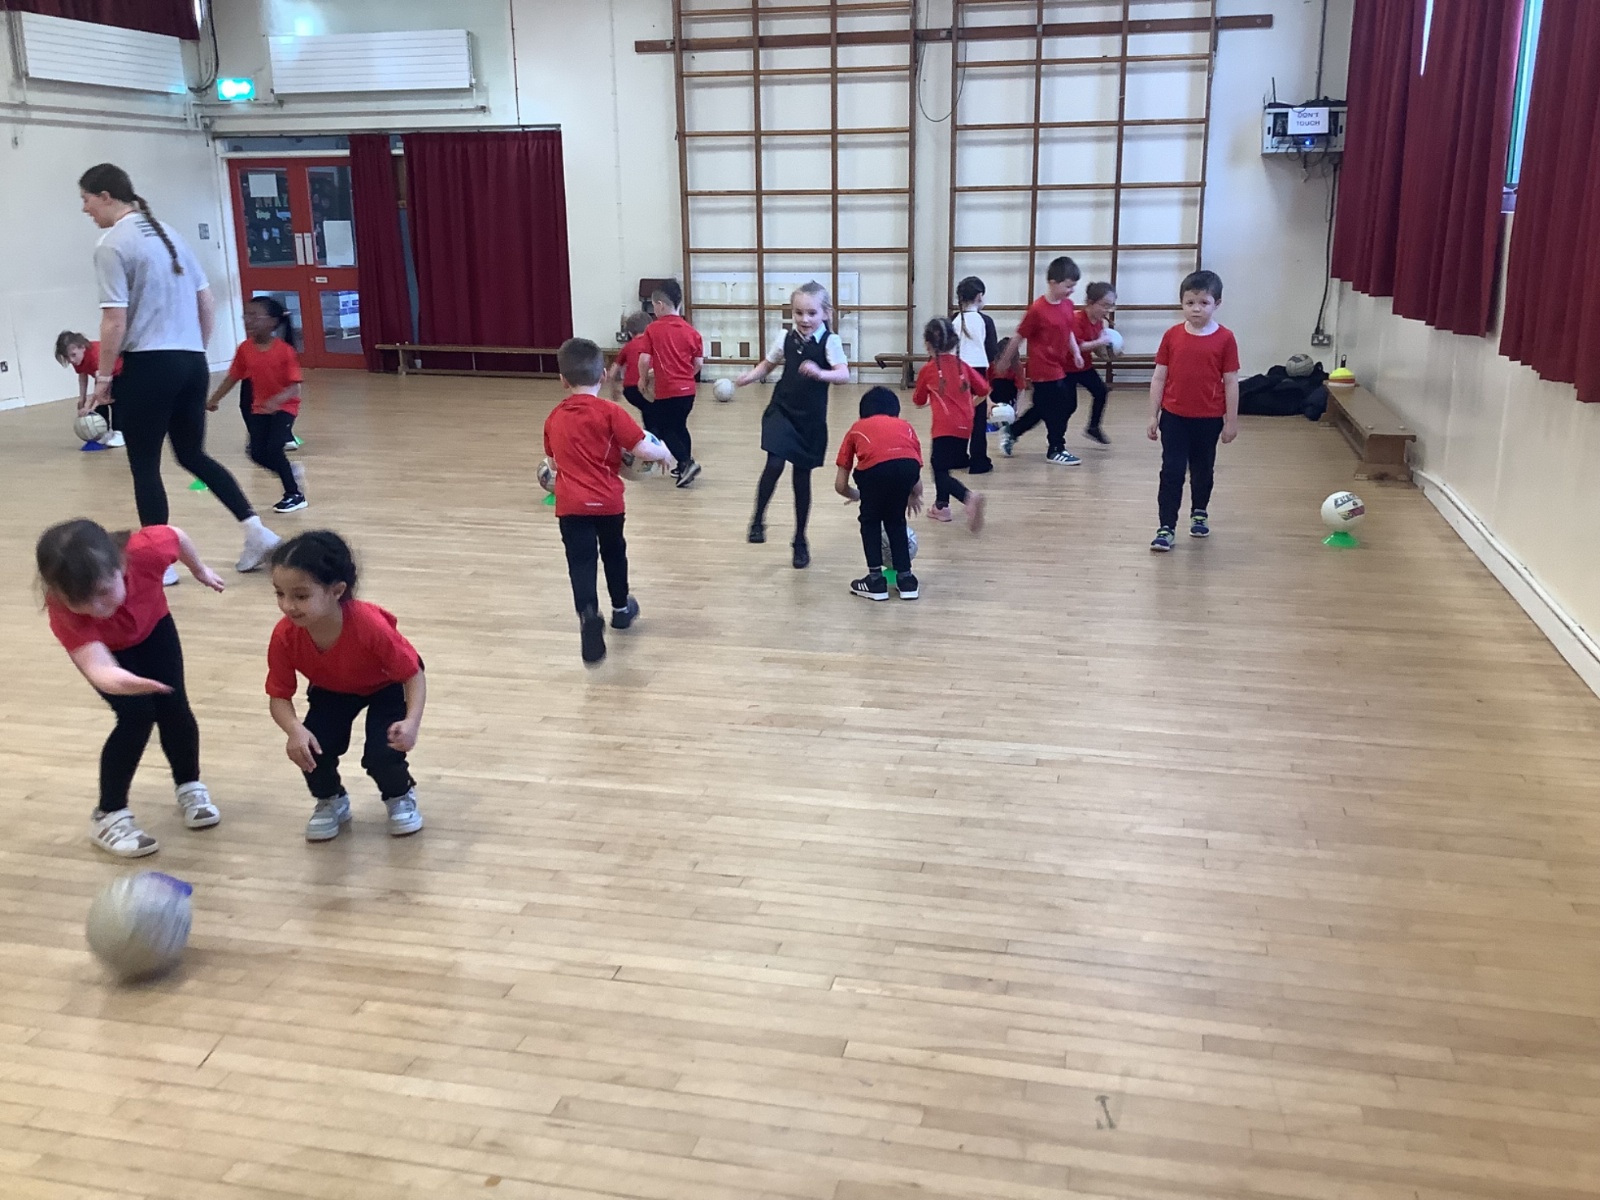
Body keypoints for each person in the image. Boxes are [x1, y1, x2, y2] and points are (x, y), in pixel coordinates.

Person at [78, 162, 280, 573]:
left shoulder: (111, 244)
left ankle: (161, 563)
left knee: (144, 465)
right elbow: (206, 301)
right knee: (192, 454)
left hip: (149, 365)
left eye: (86, 200)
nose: (85, 210)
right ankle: (258, 532)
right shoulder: (169, 233)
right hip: (190, 362)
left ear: (105, 196)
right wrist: (193, 354)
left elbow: (114, 320)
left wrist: (103, 378)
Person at [37, 519, 225, 858]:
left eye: (103, 592)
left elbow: (177, 536)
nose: (97, 608)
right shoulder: (62, 607)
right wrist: (125, 682)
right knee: (136, 717)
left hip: (154, 627)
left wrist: (200, 569)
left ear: (120, 565)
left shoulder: (147, 550)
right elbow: (98, 667)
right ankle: (108, 815)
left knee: (174, 707)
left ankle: (190, 785)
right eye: (81, 601)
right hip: (109, 652)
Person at [266, 531, 427, 841]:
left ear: (337, 591)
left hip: (385, 686)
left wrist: (411, 722)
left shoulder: (369, 625)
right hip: (332, 689)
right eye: (280, 594)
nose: (287, 605)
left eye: (300, 596)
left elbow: (413, 673)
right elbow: (278, 696)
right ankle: (331, 799)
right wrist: (294, 730)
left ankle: (399, 794)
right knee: (312, 747)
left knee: (383, 752)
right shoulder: (285, 636)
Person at [543, 337, 676, 664]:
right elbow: (641, 447)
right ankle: (620, 608)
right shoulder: (611, 412)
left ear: (562, 380)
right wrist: (663, 452)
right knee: (614, 554)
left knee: (581, 562)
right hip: (608, 504)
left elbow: (553, 464)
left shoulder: (554, 418)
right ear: (603, 376)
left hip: (571, 507)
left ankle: (588, 614)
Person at [731, 281, 850, 569]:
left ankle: (799, 540)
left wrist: (820, 373)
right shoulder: (785, 338)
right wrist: (750, 377)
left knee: (801, 479)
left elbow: (843, 374)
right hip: (781, 410)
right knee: (774, 463)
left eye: (811, 313)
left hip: (810, 420)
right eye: (798, 313)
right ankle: (758, 518)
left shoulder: (830, 342)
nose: (804, 319)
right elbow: (769, 364)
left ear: (826, 313)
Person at [1146, 270, 1240, 552]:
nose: (1196, 309)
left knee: (1202, 469)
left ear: (1217, 304)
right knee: (1172, 471)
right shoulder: (1172, 336)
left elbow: (1231, 381)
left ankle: (1199, 511)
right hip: (1174, 418)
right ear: (1182, 303)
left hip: (1208, 419)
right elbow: (1159, 377)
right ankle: (1166, 527)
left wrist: (1231, 421)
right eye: (1190, 303)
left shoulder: (1225, 338)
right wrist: (1153, 415)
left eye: (1203, 302)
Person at [206, 296, 306, 514]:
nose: (248, 320)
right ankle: (288, 472)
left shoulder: (284, 351)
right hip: (259, 407)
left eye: (254, 316)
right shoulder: (245, 349)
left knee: (274, 449)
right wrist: (214, 399)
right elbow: (233, 377)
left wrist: (277, 400)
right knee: (256, 453)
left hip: (285, 407)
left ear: (272, 322)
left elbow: (295, 387)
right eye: (246, 316)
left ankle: (294, 494)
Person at [994, 255, 1086, 465]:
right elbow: (1018, 336)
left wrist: (1076, 353)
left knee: (1046, 408)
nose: (1071, 290)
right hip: (1042, 369)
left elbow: (1069, 331)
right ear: (1052, 283)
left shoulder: (1068, 305)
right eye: (1068, 286)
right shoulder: (1037, 310)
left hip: (1059, 366)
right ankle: (1056, 448)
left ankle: (1013, 432)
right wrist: (1005, 361)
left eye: (1073, 286)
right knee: (1059, 406)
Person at [835, 386, 924, 601]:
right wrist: (912, 496)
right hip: (907, 470)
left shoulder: (856, 428)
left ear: (862, 414)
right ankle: (906, 579)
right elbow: (916, 479)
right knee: (896, 520)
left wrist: (858, 495)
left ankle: (875, 580)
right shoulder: (906, 427)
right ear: (896, 412)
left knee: (871, 521)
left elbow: (840, 485)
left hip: (873, 472)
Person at [912, 318, 988, 533]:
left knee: (939, 470)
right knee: (943, 465)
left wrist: (927, 399)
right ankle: (941, 507)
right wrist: (969, 406)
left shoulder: (928, 370)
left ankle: (968, 497)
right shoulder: (963, 366)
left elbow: (918, 400)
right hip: (966, 426)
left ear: (928, 344)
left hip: (943, 427)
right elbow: (984, 390)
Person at [636, 280, 705, 487]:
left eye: (653, 306)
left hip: (668, 391)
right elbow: (698, 363)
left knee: (664, 428)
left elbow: (644, 359)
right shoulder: (691, 331)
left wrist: (642, 379)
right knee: (680, 426)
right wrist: (686, 377)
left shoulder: (653, 329)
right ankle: (683, 467)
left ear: (660, 305)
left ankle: (686, 463)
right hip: (688, 392)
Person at [951, 276, 998, 473]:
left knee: (959, 415)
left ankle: (957, 456)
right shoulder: (985, 321)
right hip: (977, 372)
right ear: (979, 296)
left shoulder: (953, 320)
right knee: (978, 419)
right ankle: (979, 461)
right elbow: (992, 352)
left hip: (956, 370)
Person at [55, 330, 123, 447]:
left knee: (115, 401)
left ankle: (119, 432)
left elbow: (103, 385)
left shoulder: (95, 355)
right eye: (67, 357)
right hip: (102, 377)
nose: (71, 360)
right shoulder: (78, 360)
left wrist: (89, 406)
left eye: (73, 355)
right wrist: (82, 398)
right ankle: (104, 432)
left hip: (119, 373)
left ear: (82, 347)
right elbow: (83, 376)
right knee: (100, 406)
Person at [1071, 282, 1117, 446]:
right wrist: (1101, 341)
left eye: (1111, 306)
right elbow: (1077, 346)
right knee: (1068, 405)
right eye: (1105, 305)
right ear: (1090, 303)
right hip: (1067, 368)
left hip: (1084, 366)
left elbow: (1095, 348)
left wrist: (1109, 354)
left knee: (1101, 391)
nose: (1108, 310)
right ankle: (1055, 438)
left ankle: (1093, 427)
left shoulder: (1098, 322)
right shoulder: (1076, 319)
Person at [606, 311, 654, 434]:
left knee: (647, 410)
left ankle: (649, 432)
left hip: (630, 390)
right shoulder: (654, 343)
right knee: (653, 410)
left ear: (630, 333)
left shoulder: (627, 347)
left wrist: (613, 390)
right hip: (649, 385)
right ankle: (653, 435)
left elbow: (612, 373)